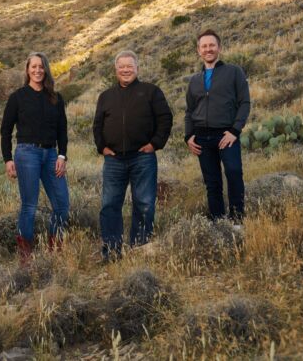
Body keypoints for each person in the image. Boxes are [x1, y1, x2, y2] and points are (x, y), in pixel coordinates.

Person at [93, 50, 173, 260]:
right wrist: (102, 147)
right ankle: (111, 251)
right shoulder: (106, 96)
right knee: (110, 205)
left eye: (130, 66)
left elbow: (165, 119)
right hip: (114, 160)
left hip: (142, 157)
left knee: (144, 203)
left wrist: (155, 144)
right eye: (122, 67)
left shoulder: (151, 92)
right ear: (116, 70)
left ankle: (140, 249)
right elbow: (97, 125)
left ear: (137, 68)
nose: (126, 70)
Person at [0, 52, 70, 262]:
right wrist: (8, 159)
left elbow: (63, 131)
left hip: (51, 155)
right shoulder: (18, 97)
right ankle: (25, 255)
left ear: (46, 69)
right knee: (29, 205)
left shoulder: (56, 98)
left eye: (41, 67)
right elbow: (5, 130)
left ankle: (55, 250)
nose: (38, 70)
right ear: (27, 70)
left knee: (62, 205)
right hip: (26, 154)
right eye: (34, 67)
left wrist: (62, 156)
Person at [185, 29, 251, 225]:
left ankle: (237, 220)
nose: (208, 49)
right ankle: (218, 223)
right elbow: (189, 110)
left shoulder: (233, 72)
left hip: (226, 135)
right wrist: (188, 136)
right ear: (198, 51)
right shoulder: (195, 80)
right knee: (212, 183)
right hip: (202, 138)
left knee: (233, 173)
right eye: (204, 46)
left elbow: (244, 103)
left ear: (219, 48)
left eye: (212, 45)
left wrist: (234, 131)